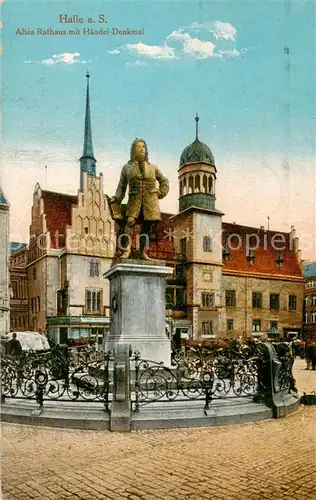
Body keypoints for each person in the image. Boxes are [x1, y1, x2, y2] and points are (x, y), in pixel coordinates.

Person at [110, 138, 169, 259]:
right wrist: (117, 198)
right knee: (130, 222)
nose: (142, 149)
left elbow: (164, 181)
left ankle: (142, 252)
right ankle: (127, 250)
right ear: (134, 150)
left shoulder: (153, 167)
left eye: (143, 146)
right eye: (139, 147)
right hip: (134, 201)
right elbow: (122, 186)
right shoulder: (127, 167)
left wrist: (160, 192)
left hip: (150, 202)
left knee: (146, 227)